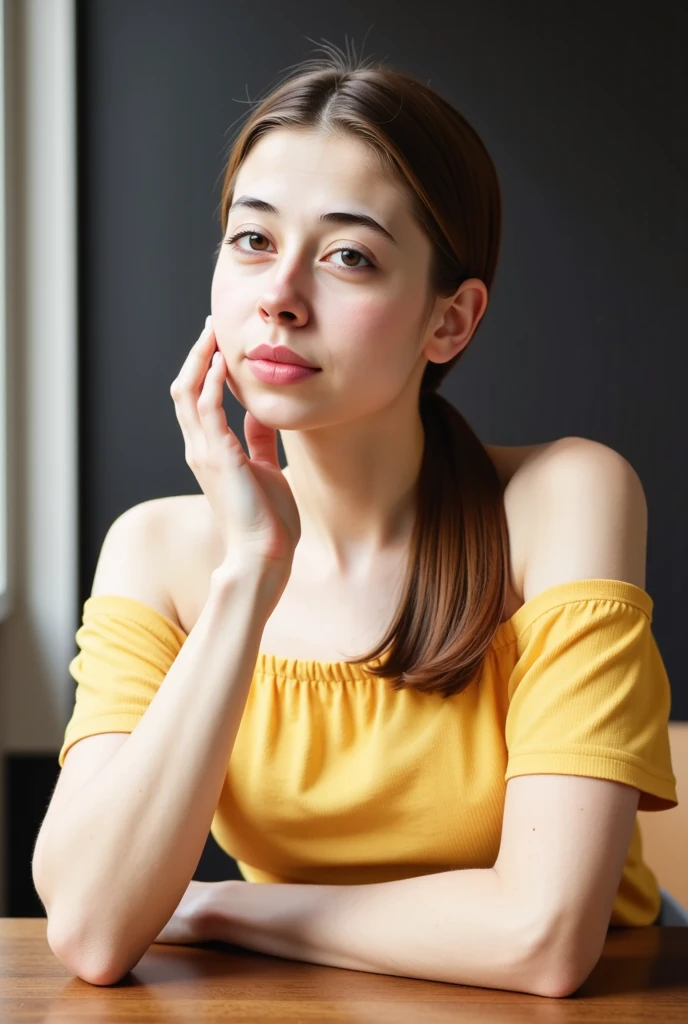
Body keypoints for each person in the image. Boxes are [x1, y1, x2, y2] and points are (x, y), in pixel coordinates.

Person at [32, 40, 677, 993]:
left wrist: (218, 906)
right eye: (252, 240)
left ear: (448, 320)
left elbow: (544, 941)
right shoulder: (158, 549)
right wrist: (251, 572)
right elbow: (91, 930)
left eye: (348, 256)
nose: (281, 299)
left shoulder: (565, 498)